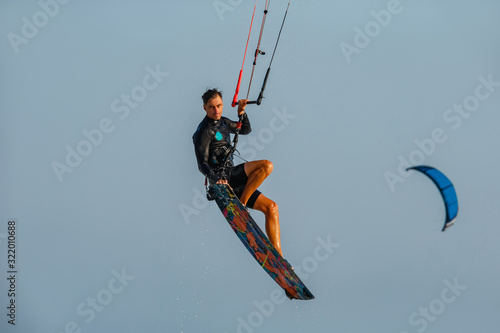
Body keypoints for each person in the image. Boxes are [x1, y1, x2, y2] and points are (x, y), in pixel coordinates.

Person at [193, 88, 283, 256]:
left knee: (272, 207)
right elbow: (202, 164)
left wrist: (242, 113)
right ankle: (242, 204)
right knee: (266, 166)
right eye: (212, 107)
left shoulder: (224, 123)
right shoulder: (203, 131)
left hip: (234, 180)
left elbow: (245, 130)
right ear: (204, 107)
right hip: (223, 180)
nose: (216, 110)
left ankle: (280, 259)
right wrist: (216, 179)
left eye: (219, 105)